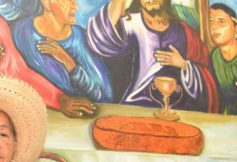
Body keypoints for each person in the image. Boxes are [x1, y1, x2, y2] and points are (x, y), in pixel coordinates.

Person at [87, 0, 219, 112]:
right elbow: (100, 41)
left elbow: (206, 82)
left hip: (176, 112)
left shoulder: (185, 32)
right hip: (134, 109)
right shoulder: (128, 24)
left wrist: (185, 66)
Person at [12, 0, 113, 102]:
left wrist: (70, 64)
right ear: (47, 3)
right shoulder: (21, 33)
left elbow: (103, 97)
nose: (75, 6)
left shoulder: (81, 39)